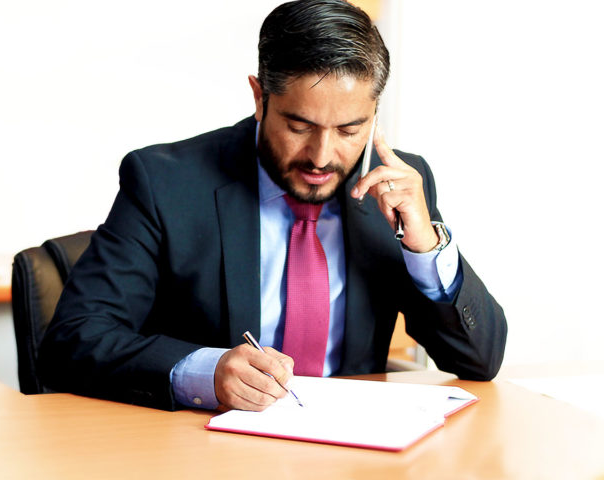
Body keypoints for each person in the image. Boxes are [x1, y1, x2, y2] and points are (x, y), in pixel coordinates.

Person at [38, 0, 507, 412]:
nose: (322, 158)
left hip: (352, 456)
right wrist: (205, 373)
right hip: (202, 451)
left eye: (348, 130)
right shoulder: (165, 181)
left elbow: (479, 361)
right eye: (300, 126)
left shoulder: (397, 187)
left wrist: (425, 247)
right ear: (260, 98)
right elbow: (73, 340)